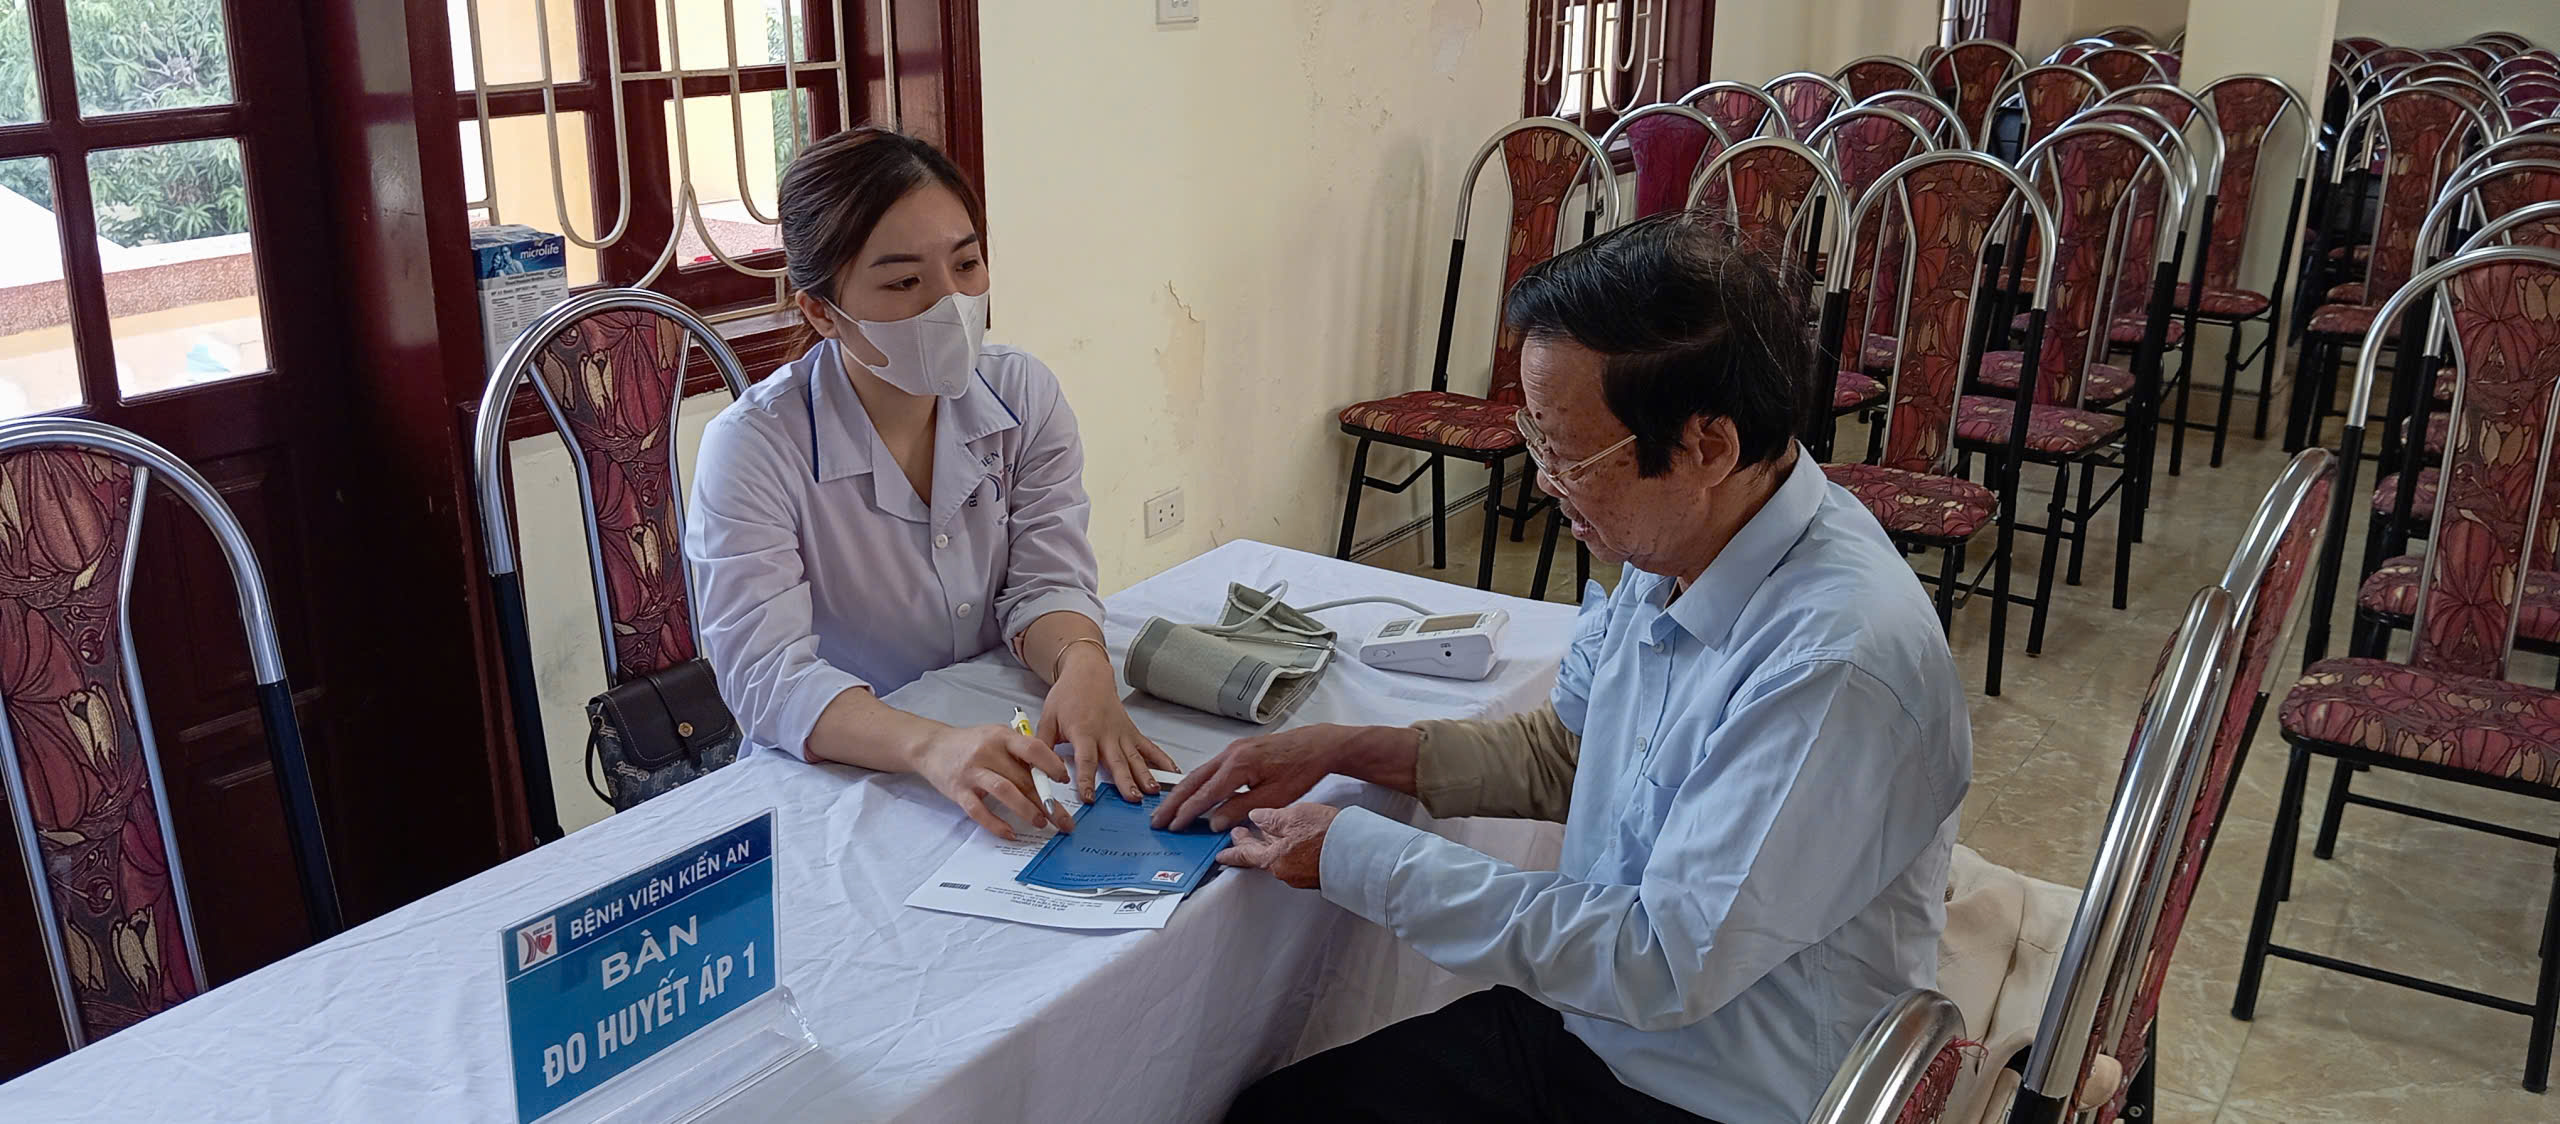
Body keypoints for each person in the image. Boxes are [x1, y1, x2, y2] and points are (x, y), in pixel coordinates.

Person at [1157, 212, 1972, 1124]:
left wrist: (1353, 853)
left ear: (1707, 447)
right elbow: (1576, 754)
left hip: (1718, 1089)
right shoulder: (1685, 537)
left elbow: (1661, 963)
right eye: (1535, 437)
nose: (1544, 479)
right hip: (1603, 1025)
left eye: (1568, 452)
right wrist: (1346, 748)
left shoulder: (1833, 664)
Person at [687, 127, 1170, 839]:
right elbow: (767, 678)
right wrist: (931, 748)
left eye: (967, 264)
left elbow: (1045, 582)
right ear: (821, 310)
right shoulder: (755, 447)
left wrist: (1082, 663)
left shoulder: (1023, 395)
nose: (951, 303)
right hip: (842, 775)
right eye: (904, 282)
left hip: (1000, 740)